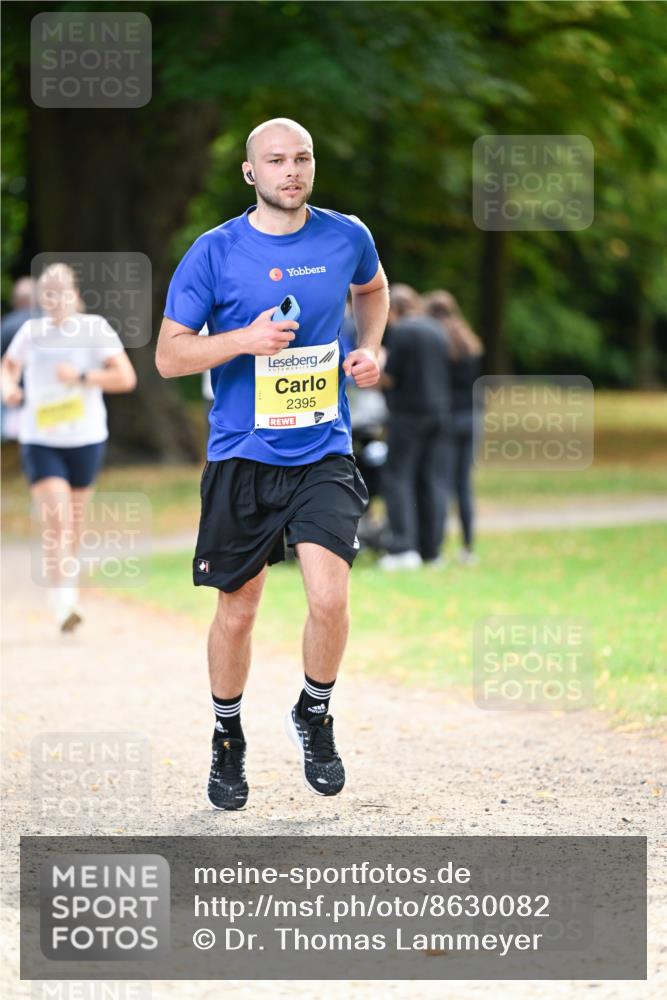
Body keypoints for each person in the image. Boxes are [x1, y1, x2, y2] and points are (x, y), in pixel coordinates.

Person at [156, 117, 389, 811]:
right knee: (239, 609)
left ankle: (313, 714)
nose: (292, 171)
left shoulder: (346, 235)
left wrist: (371, 348)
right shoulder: (214, 252)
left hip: (323, 445)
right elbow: (170, 355)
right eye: (276, 161)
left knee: (329, 596)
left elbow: (371, 290)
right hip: (242, 453)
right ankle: (227, 735)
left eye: (303, 158)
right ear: (250, 173)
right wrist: (242, 340)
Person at [1, 263, 137, 630]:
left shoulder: (95, 330)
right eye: (48, 292)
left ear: (75, 295)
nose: (55, 299)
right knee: (56, 517)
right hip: (41, 438)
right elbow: (8, 366)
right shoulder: (31, 332)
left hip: (86, 437)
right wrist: (8, 388)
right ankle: (65, 604)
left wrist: (81, 377)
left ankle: (64, 587)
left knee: (74, 523)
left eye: (61, 292)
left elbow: (125, 378)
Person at [378, 284, 451, 570]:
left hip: (408, 414)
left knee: (397, 477)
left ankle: (403, 546)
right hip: (438, 412)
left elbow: (391, 377)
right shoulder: (435, 329)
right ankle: (432, 549)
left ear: (391, 309)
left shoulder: (403, 331)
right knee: (431, 479)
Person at [424, 289, 484, 564]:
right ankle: (468, 547)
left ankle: (436, 547)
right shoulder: (470, 341)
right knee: (464, 485)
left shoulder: (437, 341)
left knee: (441, 484)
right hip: (472, 417)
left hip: (447, 419)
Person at [1, 277, 42, 440]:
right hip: (47, 396)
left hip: (14, 396)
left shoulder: (6, 324)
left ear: (16, 300)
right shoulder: (49, 322)